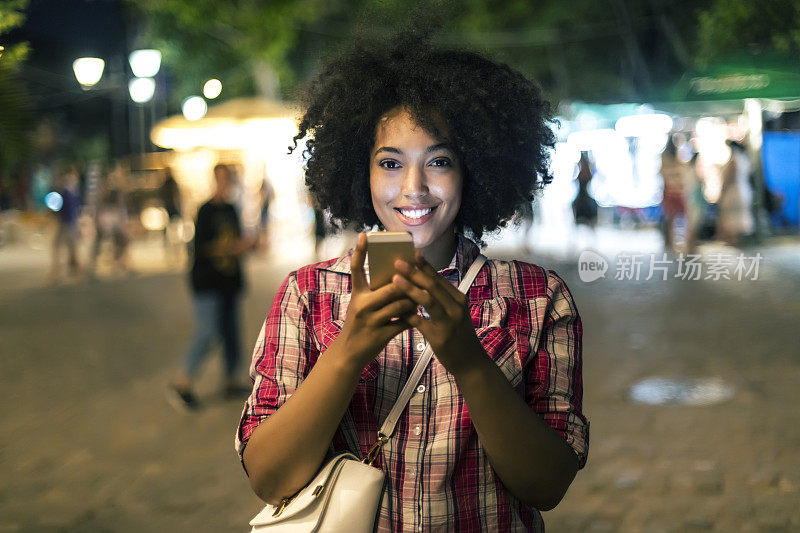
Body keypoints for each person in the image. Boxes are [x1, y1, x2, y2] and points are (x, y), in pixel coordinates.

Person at [236, 30, 588, 531]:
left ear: (475, 168)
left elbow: (546, 486)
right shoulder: (307, 294)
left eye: (439, 162)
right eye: (390, 163)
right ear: (361, 170)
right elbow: (270, 479)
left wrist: (468, 359)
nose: (413, 187)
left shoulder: (536, 299)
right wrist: (349, 347)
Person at [169, 164, 256, 410]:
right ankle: (182, 382)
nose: (224, 184)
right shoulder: (205, 210)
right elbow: (203, 248)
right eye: (221, 179)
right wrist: (236, 247)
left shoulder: (231, 209)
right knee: (207, 332)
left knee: (231, 332)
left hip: (228, 281)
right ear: (214, 180)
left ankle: (230, 379)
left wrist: (244, 249)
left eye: (227, 179)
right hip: (207, 282)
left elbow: (238, 243)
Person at [717, 140, 754, 247]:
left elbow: (729, 178)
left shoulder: (734, 160)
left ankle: (734, 242)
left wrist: (722, 191)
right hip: (744, 191)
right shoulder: (744, 160)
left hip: (734, 192)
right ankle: (736, 241)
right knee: (738, 218)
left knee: (732, 219)